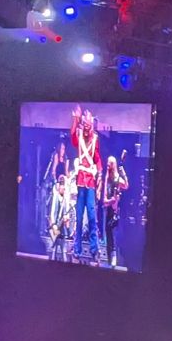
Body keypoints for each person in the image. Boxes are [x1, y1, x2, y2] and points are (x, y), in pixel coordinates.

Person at [70, 106, 102, 264]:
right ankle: (77, 250)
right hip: (80, 182)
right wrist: (75, 119)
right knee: (79, 217)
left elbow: (97, 158)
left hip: (90, 182)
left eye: (88, 121)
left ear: (92, 122)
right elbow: (73, 139)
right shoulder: (79, 135)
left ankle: (95, 250)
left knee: (91, 216)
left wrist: (100, 173)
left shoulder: (95, 139)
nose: (87, 124)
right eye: (84, 121)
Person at [100, 154, 128, 267]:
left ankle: (114, 256)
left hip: (116, 211)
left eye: (110, 163)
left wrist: (123, 172)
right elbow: (104, 200)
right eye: (107, 162)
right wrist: (111, 200)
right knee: (108, 234)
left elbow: (126, 185)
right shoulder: (107, 178)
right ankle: (108, 258)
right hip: (108, 210)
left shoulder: (117, 178)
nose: (108, 165)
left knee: (114, 234)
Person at [48, 174, 71, 261]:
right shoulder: (56, 197)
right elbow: (52, 213)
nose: (64, 190)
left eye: (65, 188)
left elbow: (67, 211)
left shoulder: (66, 198)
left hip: (63, 227)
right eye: (62, 188)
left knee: (63, 249)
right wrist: (53, 225)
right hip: (56, 226)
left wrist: (67, 218)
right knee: (54, 248)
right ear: (59, 188)